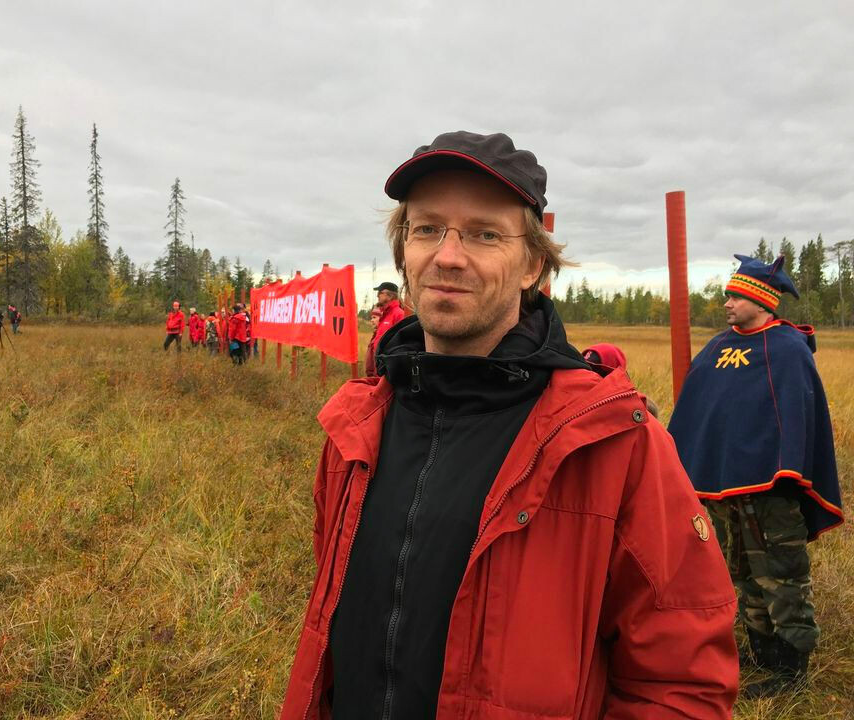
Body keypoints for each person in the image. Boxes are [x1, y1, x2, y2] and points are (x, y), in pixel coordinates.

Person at [280, 131, 738, 720]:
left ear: (533, 266)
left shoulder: (613, 445)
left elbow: (681, 684)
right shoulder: (356, 428)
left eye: (484, 234)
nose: (448, 254)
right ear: (403, 254)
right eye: (427, 229)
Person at [668, 254, 844, 699]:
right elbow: (701, 410)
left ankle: (792, 666)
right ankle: (762, 650)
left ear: (761, 300)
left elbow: (796, 417)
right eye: (728, 295)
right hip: (725, 489)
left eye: (735, 296)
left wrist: (782, 465)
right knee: (741, 571)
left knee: (781, 574)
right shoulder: (717, 346)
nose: (727, 303)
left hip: (773, 490)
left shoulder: (786, 350)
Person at [582, 343, 659, 418]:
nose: (590, 376)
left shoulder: (642, 408)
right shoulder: (642, 406)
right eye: (584, 370)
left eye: (598, 371)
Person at [364, 282, 406, 376]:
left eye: (380, 292)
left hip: (388, 369)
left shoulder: (399, 314)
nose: (377, 295)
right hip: (378, 367)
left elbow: (401, 342)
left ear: (389, 296)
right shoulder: (384, 314)